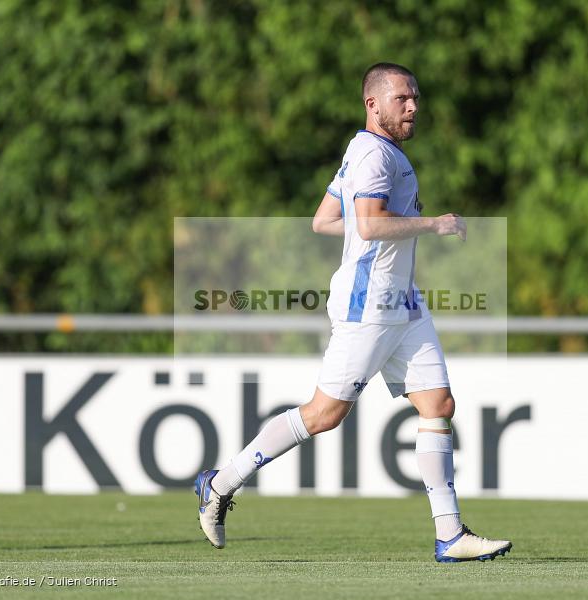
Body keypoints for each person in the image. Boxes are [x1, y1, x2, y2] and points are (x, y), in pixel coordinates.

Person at [195, 63, 512, 563]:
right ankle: (220, 484)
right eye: (402, 98)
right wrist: (433, 224)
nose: (413, 106)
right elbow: (366, 226)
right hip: (369, 304)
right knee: (323, 415)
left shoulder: (368, 151)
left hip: (402, 302)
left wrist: (377, 225)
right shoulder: (372, 156)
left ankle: (450, 535)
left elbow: (325, 221)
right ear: (374, 104)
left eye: (416, 98)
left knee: (438, 406)